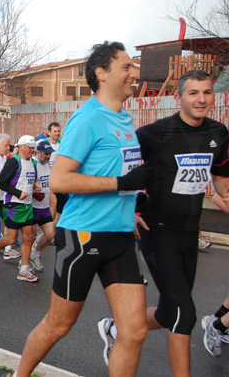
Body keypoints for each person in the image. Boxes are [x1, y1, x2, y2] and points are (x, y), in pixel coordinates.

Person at [14, 41, 152, 377]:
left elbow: (121, 172)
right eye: (127, 66)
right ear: (102, 73)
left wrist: (133, 206)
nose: (135, 73)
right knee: (59, 325)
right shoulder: (88, 118)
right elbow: (60, 180)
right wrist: (122, 184)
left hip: (119, 237)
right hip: (84, 235)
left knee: (134, 331)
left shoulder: (123, 118)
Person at [98, 70, 229, 375]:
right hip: (156, 230)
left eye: (207, 92)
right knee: (186, 314)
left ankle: (116, 329)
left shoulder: (218, 133)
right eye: (193, 93)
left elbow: (220, 178)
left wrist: (224, 194)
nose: (201, 99)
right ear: (178, 96)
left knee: (171, 312)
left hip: (189, 233)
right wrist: (127, 208)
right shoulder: (155, 134)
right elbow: (117, 167)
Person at [0, 135, 40, 282]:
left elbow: (25, 179)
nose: (32, 150)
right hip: (13, 205)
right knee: (11, 238)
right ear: (21, 147)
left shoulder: (33, 162)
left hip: (27, 205)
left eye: (34, 147)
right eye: (30, 147)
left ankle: (24, 270)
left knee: (29, 237)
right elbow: (2, 182)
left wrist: (34, 185)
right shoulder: (13, 161)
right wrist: (18, 193)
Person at [29, 140, 57, 272]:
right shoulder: (31, 164)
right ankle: (24, 264)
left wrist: (52, 205)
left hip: (44, 208)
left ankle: (36, 254)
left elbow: (49, 186)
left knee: (50, 234)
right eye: (46, 154)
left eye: (50, 154)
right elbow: (24, 185)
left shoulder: (48, 165)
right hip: (32, 208)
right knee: (30, 237)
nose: (48, 156)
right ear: (38, 152)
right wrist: (34, 193)